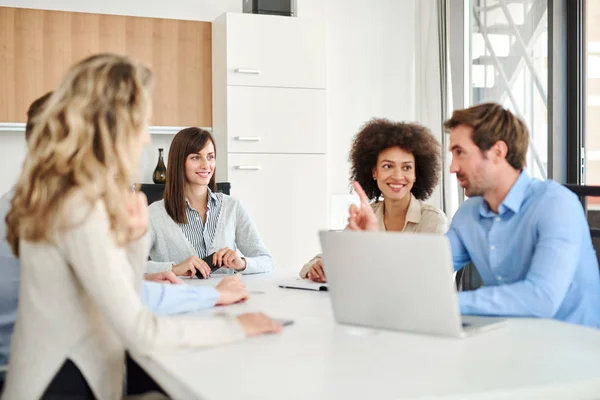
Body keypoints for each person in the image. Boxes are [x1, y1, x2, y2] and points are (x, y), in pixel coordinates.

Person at [2, 54, 282, 400]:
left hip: (68, 378)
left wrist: (134, 243)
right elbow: (140, 329)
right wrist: (235, 326)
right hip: (60, 387)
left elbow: (119, 292)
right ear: (113, 125)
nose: (145, 140)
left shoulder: (71, 196)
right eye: (141, 123)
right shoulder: (78, 207)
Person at [347, 103, 600, 328]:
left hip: (574, 352)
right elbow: (422, 272)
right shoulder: (468, 215)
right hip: (513, 343)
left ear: (498, 152)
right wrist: (374, 241)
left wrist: (442, 304)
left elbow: (540, 298)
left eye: (460, 153)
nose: (452, 167)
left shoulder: (555, 205)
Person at [300, 118, 447, 282]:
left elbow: (422, 279)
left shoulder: (432, 221)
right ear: (374, 172)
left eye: (407, 167)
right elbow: (331, 257)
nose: (398, 176)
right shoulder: (369, 214)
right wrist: (317, 266)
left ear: (416, 174)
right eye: (387, 166)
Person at [146, 127, 274, 277]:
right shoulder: (154, 214)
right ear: (179, 162)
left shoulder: (232, 207)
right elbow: (127, 265)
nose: (206, 165)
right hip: (179, 299)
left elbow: (266, 261)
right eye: (196, 157)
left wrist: (241, 263)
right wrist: (174, 269)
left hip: (227, 298)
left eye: (210, 157)